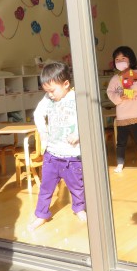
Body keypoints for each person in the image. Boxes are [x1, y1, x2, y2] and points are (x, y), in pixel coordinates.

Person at [28, 62, 86, 231]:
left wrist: (78, 133)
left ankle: (79, 208)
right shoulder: (47, 99)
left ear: (66, 84)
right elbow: (38, 114)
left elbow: (86, 117)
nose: (50, 95)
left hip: (72, 156)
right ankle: (41, 214)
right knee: (46, 187)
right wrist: (44, 134)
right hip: (52, 155)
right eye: (47, 91)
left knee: (76, 186)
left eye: (52, 90)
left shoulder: (76, 98)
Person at [107, 46, 137, 173]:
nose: (120, 61)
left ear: (130, 60)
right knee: (121, 142)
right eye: (117, 59)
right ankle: (120, 163)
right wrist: (119, 97)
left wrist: (132, 87)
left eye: (123, 58)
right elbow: (110, 93)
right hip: (123, 116)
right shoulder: (115, 79)